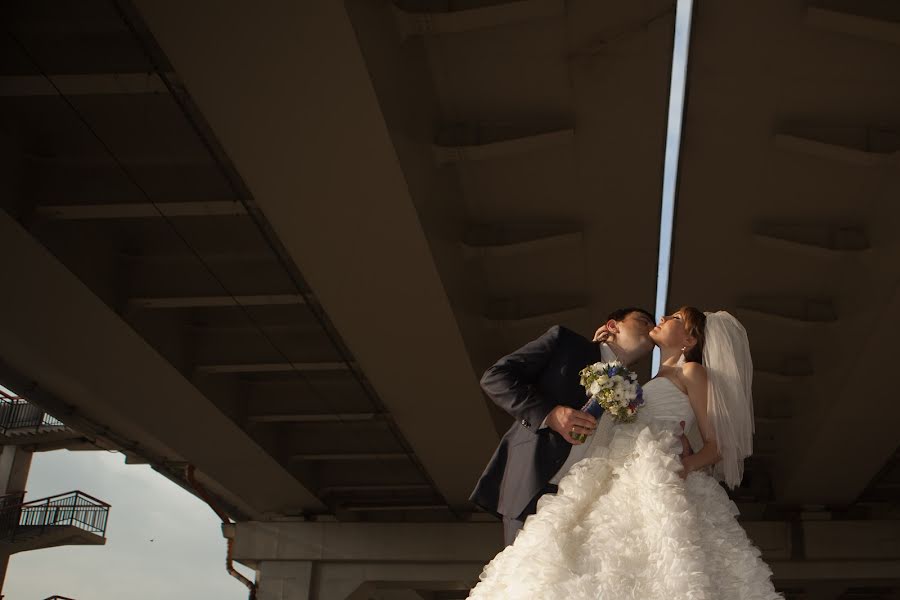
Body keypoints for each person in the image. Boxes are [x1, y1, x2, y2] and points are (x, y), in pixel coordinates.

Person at [467, 308, 783, 600]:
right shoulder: (636, 382)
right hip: (602, 477)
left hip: (650, 476)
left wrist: (683, 465)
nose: (661, 318)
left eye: (674, 317)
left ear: (689, 340)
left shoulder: (692, 372)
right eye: (647, 319)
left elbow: (718, 444)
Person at [469, 308, 657, 546]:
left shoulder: (634, 396)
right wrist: (550, 413)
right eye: (643, 321)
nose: (651, 328)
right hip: (534, 481)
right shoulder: (566, 343)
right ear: (612, 326)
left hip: (585, 503)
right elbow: (495, 377)